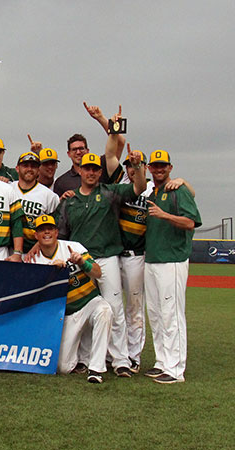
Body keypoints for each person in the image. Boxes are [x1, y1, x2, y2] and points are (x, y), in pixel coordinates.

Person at [53, 149, 146, 378]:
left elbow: (139, 188)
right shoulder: (70, 200)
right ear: (80, 170)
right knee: (85, 307)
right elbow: (59, 233)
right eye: (87, 168)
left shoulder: (109, 193)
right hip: (80, 259)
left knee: (114, 309)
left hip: (106, 257)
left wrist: (139, 168)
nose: (91, 172)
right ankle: (84, 359)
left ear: (100, 172)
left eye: (95, 169)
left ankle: (121, 360)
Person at [28, 215, 112, 383]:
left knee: (105, 311)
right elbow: (35, 297)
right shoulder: (32, 259)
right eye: (41, 230)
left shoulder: (73, 247)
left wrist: (82, 262)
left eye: (50, 229)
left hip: (89, 302)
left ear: (56, 232)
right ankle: (82, 357)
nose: (46, 232)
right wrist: (52, 274)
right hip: (65, 314)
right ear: (36, 236)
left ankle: (96, 369)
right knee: (63, 368)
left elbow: (98, 272)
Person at [142, 150, 201, 384]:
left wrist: (165, 215)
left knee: (171, 314)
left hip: (173, 259)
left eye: (163, 166)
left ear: (170, 168)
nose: (159, 170)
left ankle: (175, 369)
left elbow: (190, 222)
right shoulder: (152, 192)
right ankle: (162, 361)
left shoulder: (179, 191)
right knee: (155, 314)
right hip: (153, 259)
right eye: (155, 166)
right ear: (149, 169)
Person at [53, 102, 124, 197]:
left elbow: (119, 142)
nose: (78, 152)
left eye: (81, 148)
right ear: (68, 154)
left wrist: (101, 118)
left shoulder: (101, 166)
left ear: (87, 150)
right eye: (74, 150)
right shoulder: (61, 182)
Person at [11, 152, 59, 253]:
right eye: (25, 166)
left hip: (37, 251)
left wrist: (39, 244)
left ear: (38, 170)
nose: (29, 169)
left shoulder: (49, 196)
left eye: (33, 166)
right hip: (10, 249)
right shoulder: (8, 189)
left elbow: (54, 229)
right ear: (17, 168)